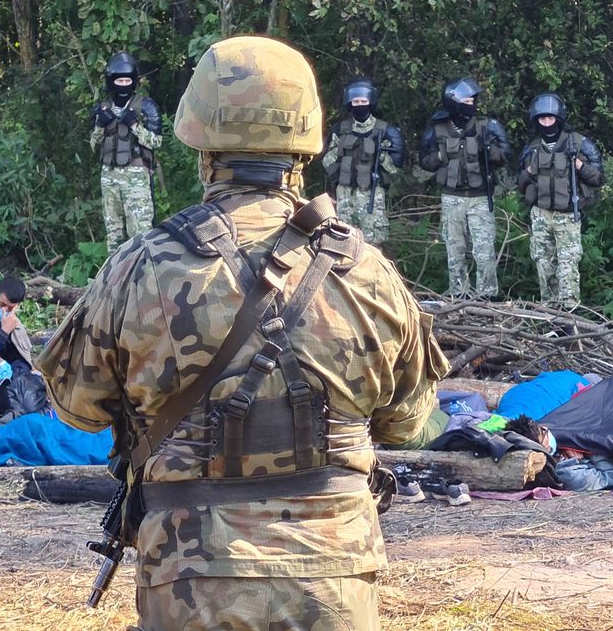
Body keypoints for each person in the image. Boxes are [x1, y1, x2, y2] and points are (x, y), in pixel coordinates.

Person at [38, 35, 448, 630]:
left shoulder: (142, 265)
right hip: (334, 575)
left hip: (191, 574)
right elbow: (410, 425)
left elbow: (78, 407)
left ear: (203, 148)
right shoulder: (367, 270)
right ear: (304, 149)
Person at [418, 77, 511, 298]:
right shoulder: (438, 129)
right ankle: (458, 296)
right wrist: (441, 155)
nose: (471, 104)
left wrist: (488, 150)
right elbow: (424, 161)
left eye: (473, 100)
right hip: (451, 198)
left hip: (480, 198)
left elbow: (506, 156)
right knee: (454, 251)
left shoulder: (487, 126)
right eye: (466, 100)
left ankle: (487, 298)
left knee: (484, 251)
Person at [515, 93, 604, 307]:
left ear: (559, 118)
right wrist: (529, 170)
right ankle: (549, 312)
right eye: (542, 119)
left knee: (568, 265)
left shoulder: (578, 144)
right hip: (541, 215)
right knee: (543, 264)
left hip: (568, 215)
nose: (546, 123)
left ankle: (569, 312)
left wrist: (580, 167)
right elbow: (520, 183)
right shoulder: (533, 148)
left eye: (550, 118)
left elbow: (599, 178)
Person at [90, 52, 164, 253]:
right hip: (109, 176)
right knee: (113, 233)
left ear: (133, 81)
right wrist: (99, 125)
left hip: (136, 176)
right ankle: (114, 279)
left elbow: (156, 141)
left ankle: (143, 278)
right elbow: (93, 145)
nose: (123, 84)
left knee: (141, 233)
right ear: (111, 81)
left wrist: (134, 126)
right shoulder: (102, 109)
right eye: (119, 80)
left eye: (127, 80)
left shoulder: (146, 106)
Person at [321, 78, 405, 245]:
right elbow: (325, 161)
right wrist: (341, 150)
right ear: (350, 102)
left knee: (373, 245)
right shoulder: (340, 130)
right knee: (343, 241)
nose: (359, 105)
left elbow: (394, 168)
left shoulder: (384, 131)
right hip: (344, 195)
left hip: (372, 195)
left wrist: (379, 154)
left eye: (363, 101)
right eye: (356, 101)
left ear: (370, 101)